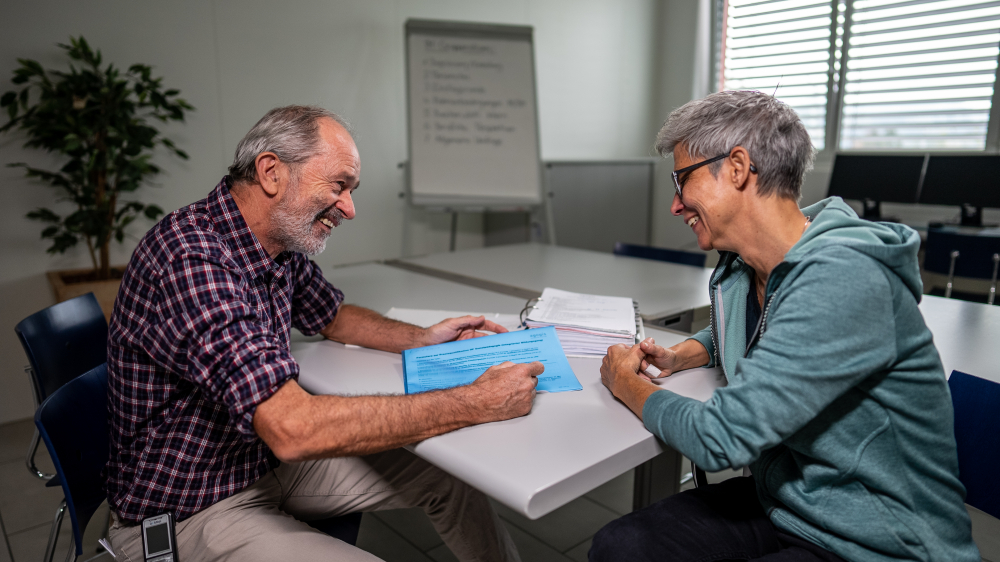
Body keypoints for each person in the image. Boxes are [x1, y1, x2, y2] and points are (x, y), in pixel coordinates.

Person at [104, 105, 541, 562]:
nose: (350, 209)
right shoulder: (190, 259)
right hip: (192, 506)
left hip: (256, 460)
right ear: (271, 172)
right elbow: (292, 428)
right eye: (339, 185)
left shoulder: (272, 242)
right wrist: (475, 401)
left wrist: (421, 338)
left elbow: (332, 315)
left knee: (450, 479)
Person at [591, 91, 980, 562]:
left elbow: (721, 438)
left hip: (880, 540)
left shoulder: (844, 277)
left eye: (682, 180)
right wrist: (685, 353)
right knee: (621, 547)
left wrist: (627, 384)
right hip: (790, 500)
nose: (676, 205)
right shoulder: (748, 268)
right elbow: (761, 329)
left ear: (737, 167)